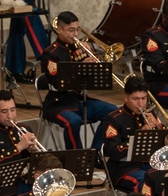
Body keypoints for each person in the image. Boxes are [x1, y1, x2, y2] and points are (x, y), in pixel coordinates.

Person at [41, 11, 117, 150]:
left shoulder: (80, 48)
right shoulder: (50, 54)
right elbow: (58, 82)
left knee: (112, 111)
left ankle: (95, 152)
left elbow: (93, 79)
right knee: (73, 122)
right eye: (71, 30)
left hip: (78, 100)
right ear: (59, 30)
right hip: (58, 103)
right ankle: (78, 157)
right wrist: (82, 67)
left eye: (77, 30)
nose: (75, 34)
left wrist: (93, 59)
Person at [102, 75, 165, 192]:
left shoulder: (150, 114)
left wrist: (159, 126)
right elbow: (113, 151)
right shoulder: (113, 119)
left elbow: (166, 143)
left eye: (144, 98)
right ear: (126, 98)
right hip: (123, 168)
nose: (141, 104)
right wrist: (140, 136)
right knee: (148, 182)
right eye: (135, 99)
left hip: (149, 164)